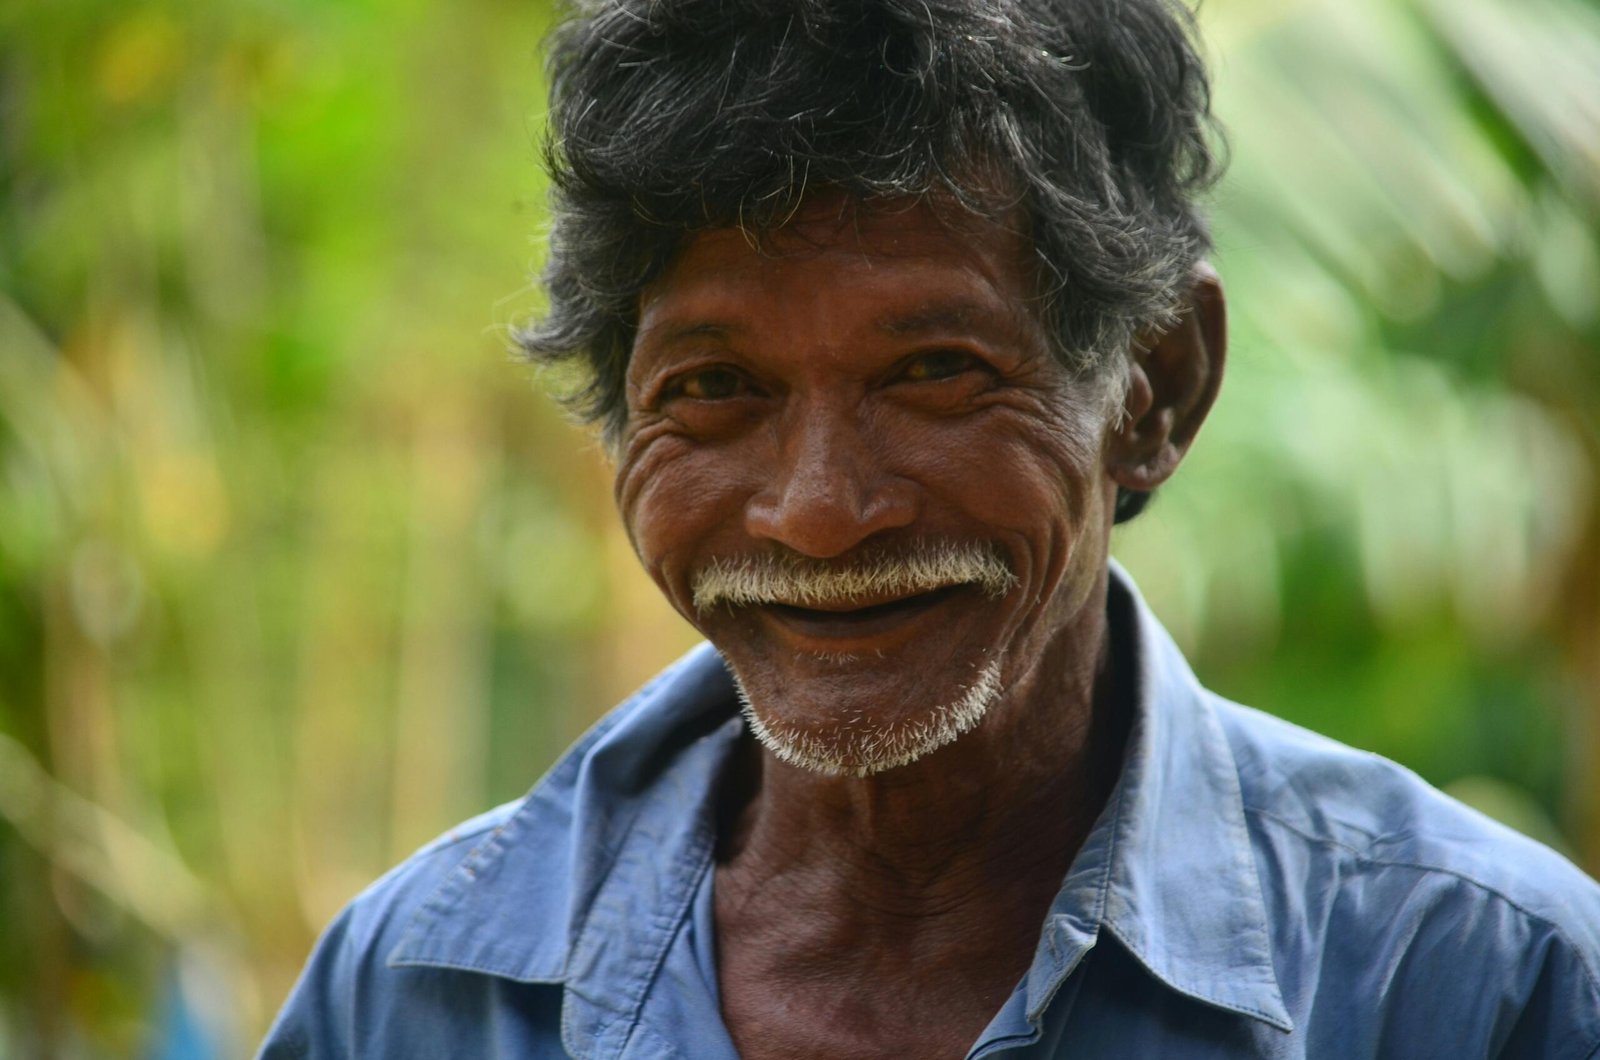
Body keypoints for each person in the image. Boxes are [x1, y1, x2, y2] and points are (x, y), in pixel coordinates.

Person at [260, 0, 1600, 1056]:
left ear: (1157, 386)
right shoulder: (412, 1001)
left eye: (936, 372)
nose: (822, 513)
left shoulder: (1483, 990)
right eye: (717, 388)